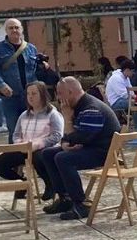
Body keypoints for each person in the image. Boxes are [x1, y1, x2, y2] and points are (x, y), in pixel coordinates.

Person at [36, 77, 120, 221]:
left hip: (104, 152)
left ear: (70, 92)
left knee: (63, 158)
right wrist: (65, 142)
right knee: (48, 154)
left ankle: (80, 204)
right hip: (90, 145)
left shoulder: (91, 108)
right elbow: (74, 136)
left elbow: (82, 136)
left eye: (60, 93)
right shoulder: (78, 106)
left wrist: (68, 120)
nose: (58, 97)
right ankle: (65, 198)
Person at [0, 82, 63, 195]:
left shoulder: (52, 114)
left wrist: (38, 144)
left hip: (43, 149)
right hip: (24, 148)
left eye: (34, 93)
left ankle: (50, 185)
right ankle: (22, 183)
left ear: (42, 95)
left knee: (39, 158)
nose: (30, 96)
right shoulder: (24, 115)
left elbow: (57, 135)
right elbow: (16, 134)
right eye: (28, 94)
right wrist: (20, 144)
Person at [0, 18, 39, 143]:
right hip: (10, 97)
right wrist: (1, 85)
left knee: (32, 129)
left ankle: (30, 158)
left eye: (16, 27)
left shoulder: (31, 48)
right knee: (14, 129)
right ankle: (14, 157)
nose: (14, 30)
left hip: (29, 96)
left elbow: (35, 71)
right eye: (11, 28)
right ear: (6, 31)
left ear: (21, 30)